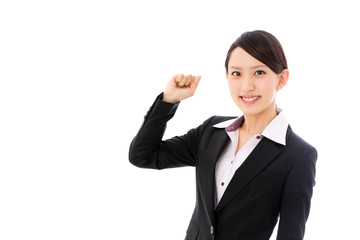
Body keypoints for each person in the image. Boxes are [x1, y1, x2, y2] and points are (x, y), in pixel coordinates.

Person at [129, 30, 317, 240]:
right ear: (227, 77)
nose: (247, 85)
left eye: (259, 72)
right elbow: (142, 156)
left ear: (281, 79)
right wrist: (168, 101)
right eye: (237, 73)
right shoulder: (211, 131)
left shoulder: (298, 155)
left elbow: (291, 235)